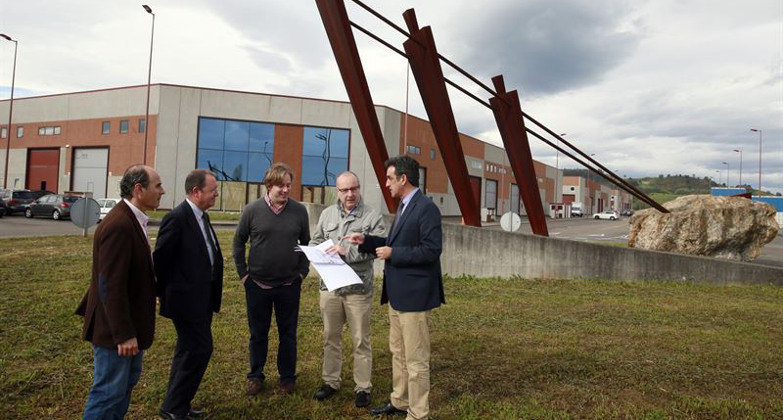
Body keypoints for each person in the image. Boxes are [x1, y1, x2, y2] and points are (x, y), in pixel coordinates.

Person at [347, 155, 444, 420]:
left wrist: (394, 254)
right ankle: (400, 402)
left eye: (390, 178)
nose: (386, 183)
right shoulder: (403, 205)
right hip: (397, 296)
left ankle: (418, 413)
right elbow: (393, 242)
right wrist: (365, 241)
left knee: (415, 361)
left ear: (403, 179)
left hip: (414, 298)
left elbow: (432, 250)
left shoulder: (426, 208)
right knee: (398, 354)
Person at [76, 164, 165, 419]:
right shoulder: (119, 225)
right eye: (157, 185)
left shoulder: (131, 220)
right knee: (108, 393)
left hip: (127, 327)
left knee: (122, 387)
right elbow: (110, 285)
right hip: (115, 332)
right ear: (139, 189)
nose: (162, 191)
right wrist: (124, 334)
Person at [309, 171, 386, 408]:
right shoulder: (327, 214)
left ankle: (363, 387)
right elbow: (315, 240)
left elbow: (378, 247)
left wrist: (346, 252)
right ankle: (330, 381)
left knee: (360, 339)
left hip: (358, 290)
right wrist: (319, 251)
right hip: (330, 289)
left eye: (354, 189)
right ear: (337, 191)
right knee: (330, 337)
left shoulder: (372, 216)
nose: (350, 194)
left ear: (359, 189)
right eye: (344, 190)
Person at [233, 162, 310, 396]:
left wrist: (302, 273)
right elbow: (238, 243)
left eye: (288, 185)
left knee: (288, 334)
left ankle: (287, 377)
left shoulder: (299, 211)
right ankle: (255, 376)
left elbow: (306, 243)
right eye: (280, 186)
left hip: (289, 284)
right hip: (257, 285)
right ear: (268, 186)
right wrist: (244, 274)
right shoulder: (251, 210)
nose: (285, 190)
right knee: (258, 333)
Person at [154, 169, 223, 419]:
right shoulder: (177, 218)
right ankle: (174, 406)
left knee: (188, 351)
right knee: (199, 349)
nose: (216, 194)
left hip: (202, 299)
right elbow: (160, 260)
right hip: (185, 301)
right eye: (212, 190)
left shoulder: (201, 216)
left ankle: (175, 406)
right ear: (196, 192)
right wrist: (161, 292)